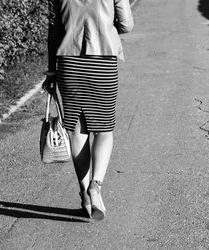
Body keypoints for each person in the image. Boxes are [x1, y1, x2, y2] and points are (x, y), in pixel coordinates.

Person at [42, 0, 134, 221]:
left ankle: (84, 193)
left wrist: (52, 71)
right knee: (104, 128)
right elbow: (126, 25)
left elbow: (54, 29)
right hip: (102, 60)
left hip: (69, 64)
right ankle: (96, 186)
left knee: (77, 128)